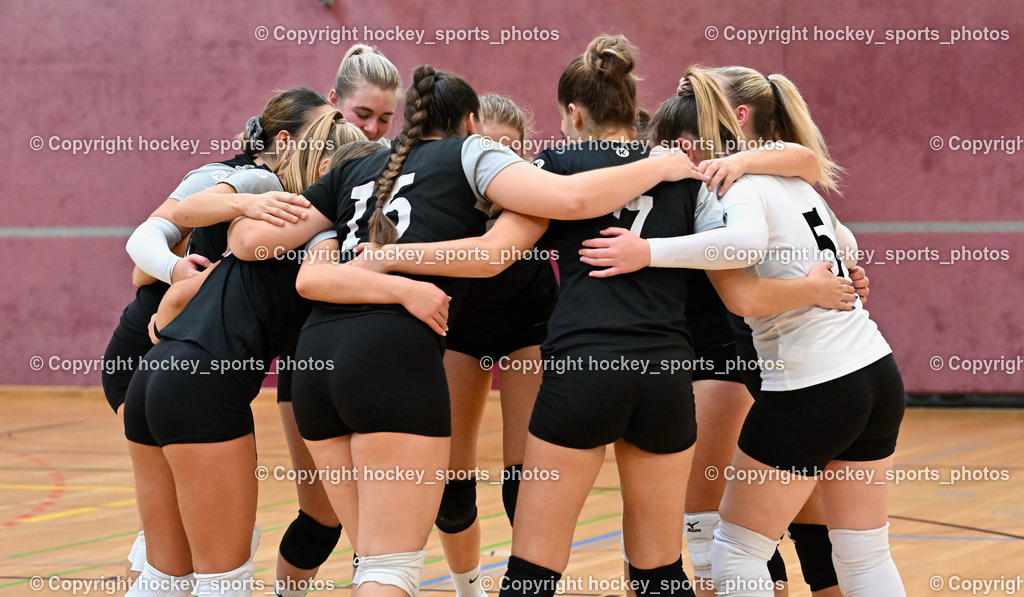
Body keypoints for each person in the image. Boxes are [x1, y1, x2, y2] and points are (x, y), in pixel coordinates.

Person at [344, 37, 856, 597]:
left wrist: (392, 255)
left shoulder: (552, 169)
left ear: (572, 112)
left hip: (583, 371)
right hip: (665, 376)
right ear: (629, 102)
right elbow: (746, 243)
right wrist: (826, 274)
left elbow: (492, 255)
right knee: (661, 572)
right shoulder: (685, 171)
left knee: (533, 569)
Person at [227, 61, 708, 597]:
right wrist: (664, 164)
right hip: (406, 355)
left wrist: (251, 202)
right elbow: (531, 226)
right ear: (473, 123)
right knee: (394, 566)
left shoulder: (358, 167)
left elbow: (259, 251)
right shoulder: (481, 160)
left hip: (322, 357)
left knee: (378, 558)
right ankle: (466, 583)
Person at [577, 66, 905, 597]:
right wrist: (835, 280)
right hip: (874, 370)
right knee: (864, 554)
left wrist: (646, 252)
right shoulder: (794, 178)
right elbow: (844, 246)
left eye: (669, 149)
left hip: (812, 381)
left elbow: (746, 251)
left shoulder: (734, 185)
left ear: (691, 142)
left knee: (737, 550)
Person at [122, 115, 365, 597]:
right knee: (224, 583)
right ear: (326, 165)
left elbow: (172, 306)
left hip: (152, 381)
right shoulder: (310, 224)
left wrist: (174, 328)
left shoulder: (264, 212)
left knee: (165, 577)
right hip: (202, 392)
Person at [433, 93, 557, 597]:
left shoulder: (533, 196)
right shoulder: (446, 196)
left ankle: (524, 585)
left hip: (528, 324)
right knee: (452, 488)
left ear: (524, 156)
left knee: (523, 478)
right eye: (488, 149)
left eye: (510, 151)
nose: (498, 163)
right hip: (461, 328)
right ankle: (468, 588)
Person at [329, 44, 403, 144]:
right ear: (335, 100)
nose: (372, 129)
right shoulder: (306, 148)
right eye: (363, 115)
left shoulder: (395, 156)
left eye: (384, 119)